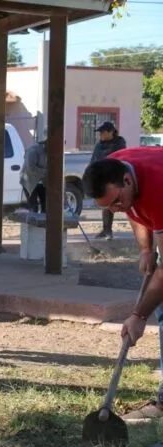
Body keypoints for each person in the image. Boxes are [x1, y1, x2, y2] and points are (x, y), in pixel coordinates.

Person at [82, 146, 163, 419]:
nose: (115, 210)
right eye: (108, 208)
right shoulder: (116, 167)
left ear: (127, 181)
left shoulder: (158, 186)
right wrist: (145, 249)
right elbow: (135, 209)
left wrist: (139, 315)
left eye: (115, 202)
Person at [90, 121, 127, 240]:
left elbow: (120, 160)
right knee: (105, 204)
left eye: (102, 132)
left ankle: (108, 231)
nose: (100, 134)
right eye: (99, 132)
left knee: (111, 204)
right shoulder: (99, 145)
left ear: (111, 132)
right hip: (101, 178)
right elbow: (93, 160)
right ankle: (106, 230)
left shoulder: (119, 144)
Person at [19, 138, 48, 213]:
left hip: (41, 182)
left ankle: (43, 223)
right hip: (29, 181)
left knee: (46, 205)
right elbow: (31, 168)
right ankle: (32, 223)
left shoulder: (50, 153)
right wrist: (46, 172)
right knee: (33, 207)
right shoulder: (33, 150)